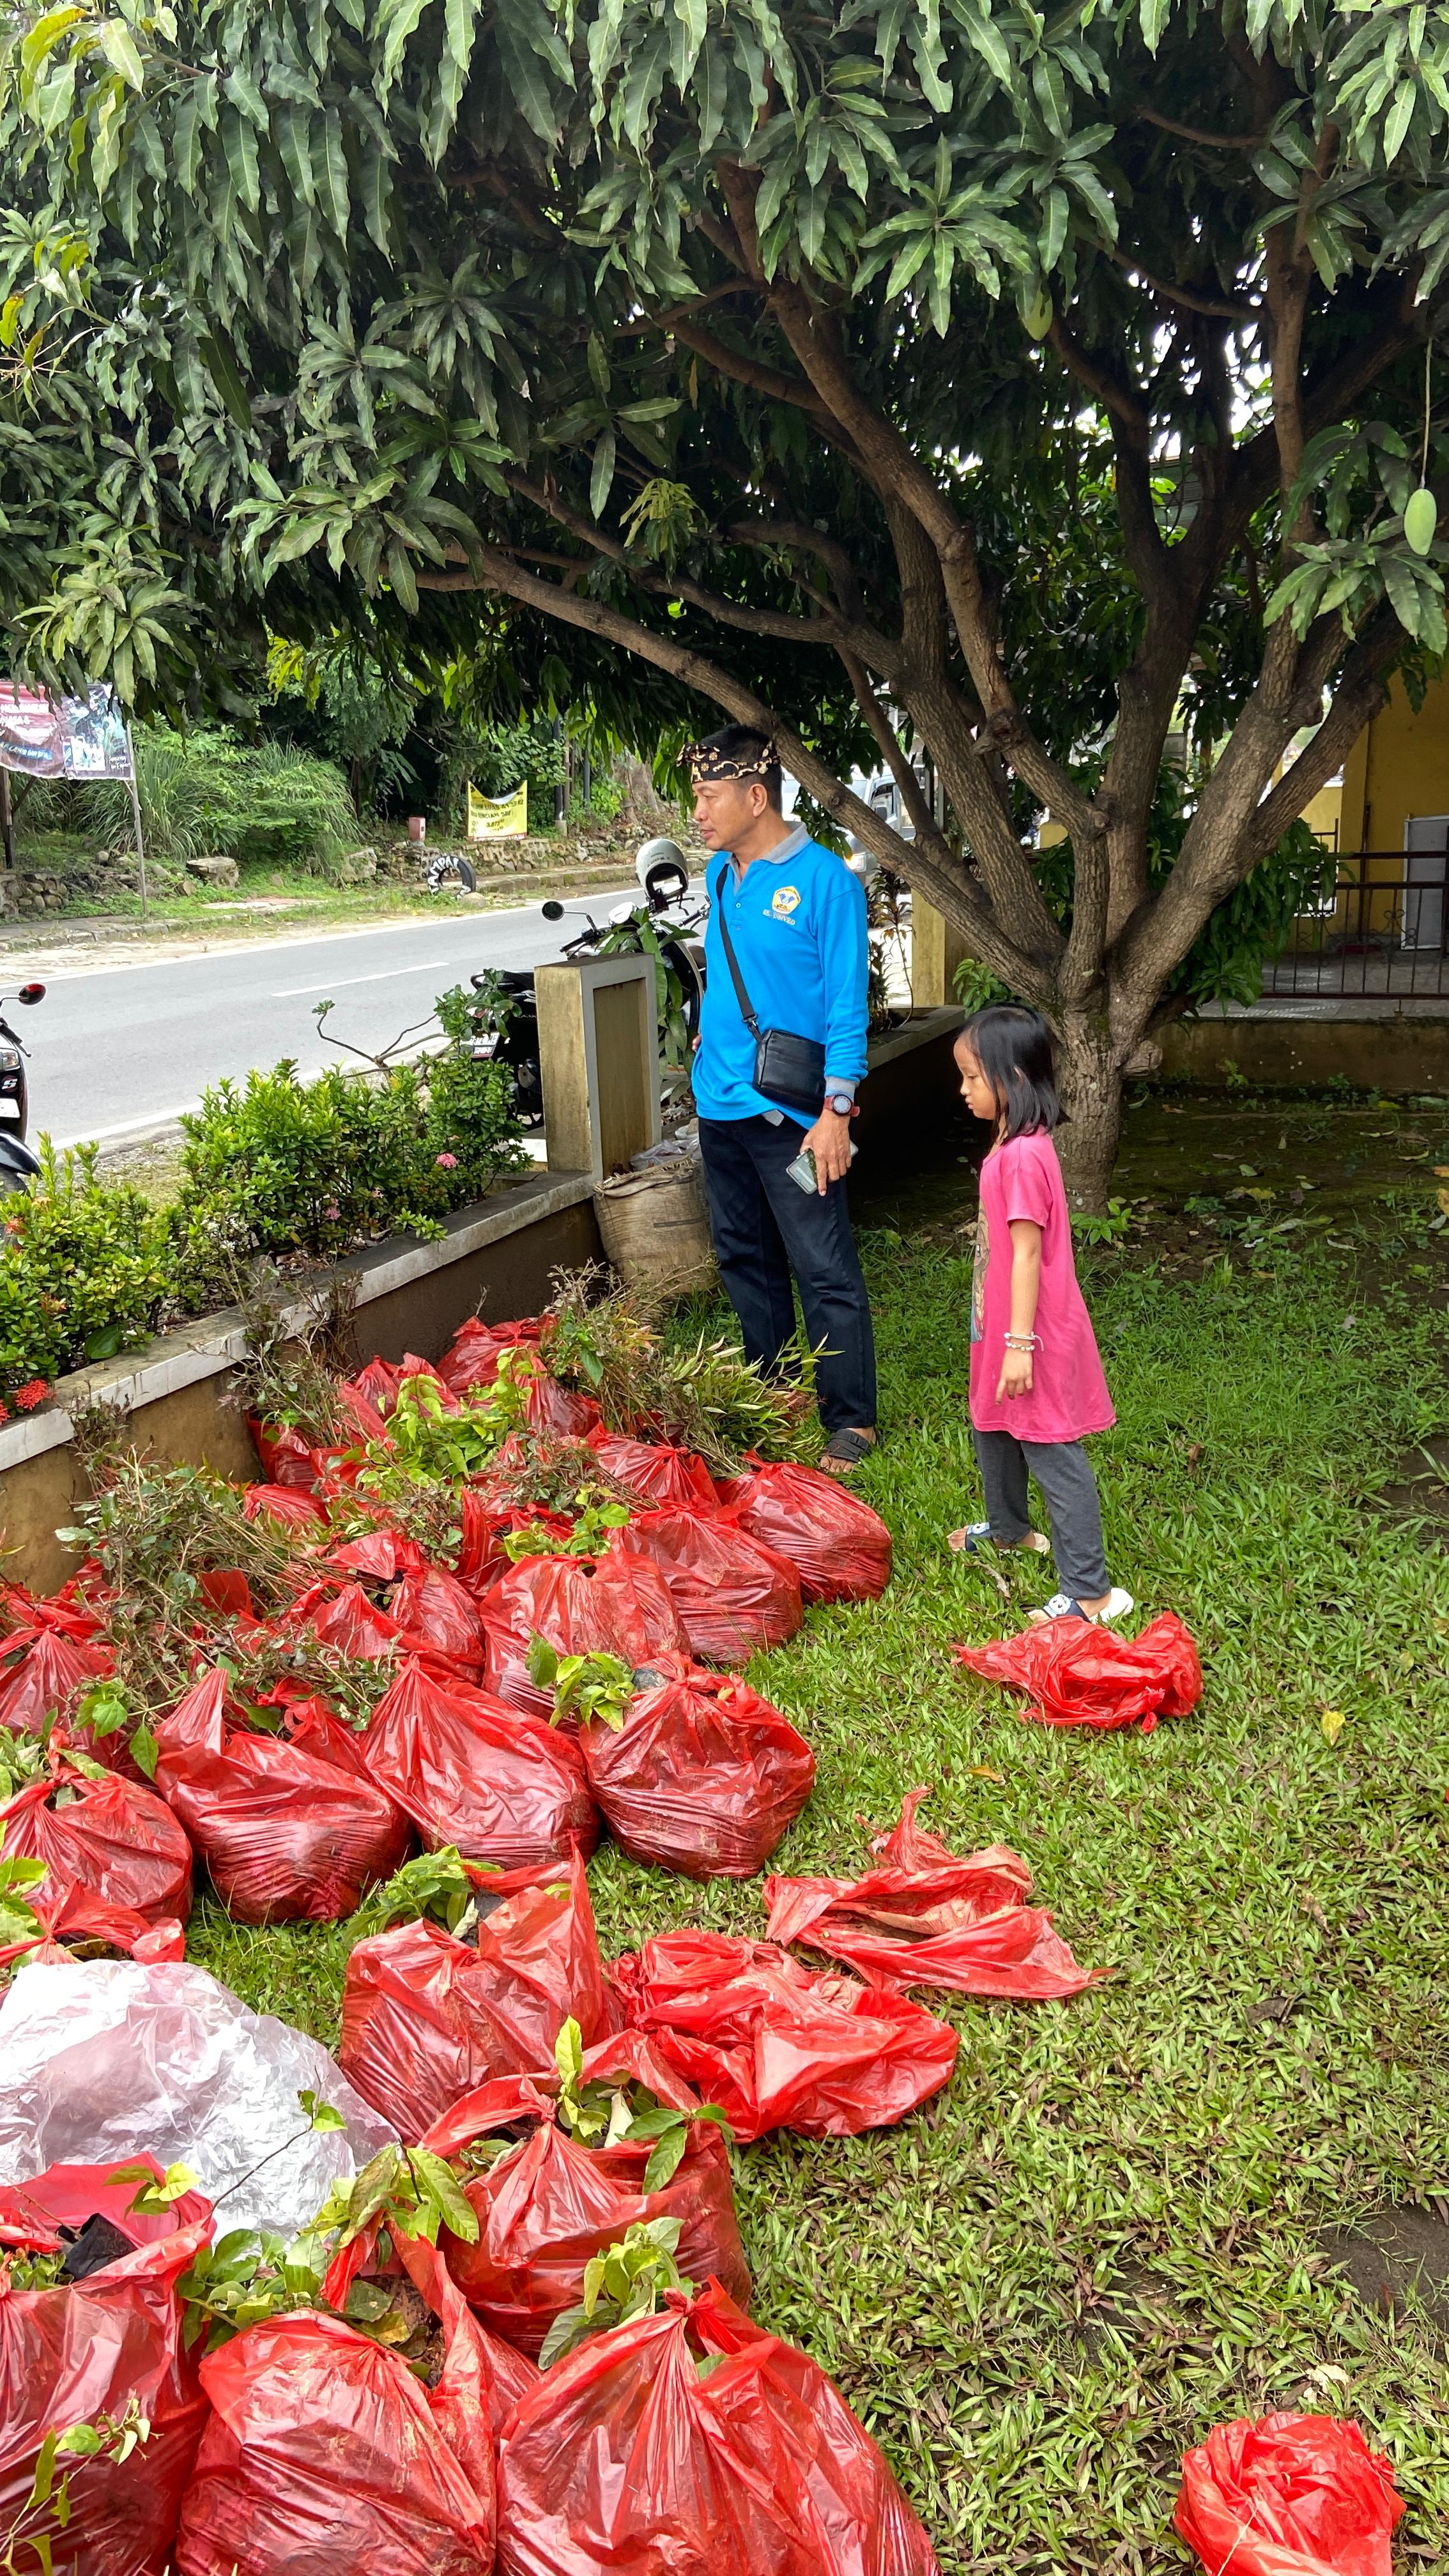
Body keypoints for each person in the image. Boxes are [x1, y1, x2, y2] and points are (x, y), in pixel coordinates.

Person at [687, 724, 877, 1476]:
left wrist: (836, 1112)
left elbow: (845, 1003)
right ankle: (771, 1389)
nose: (697, 813)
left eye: (708, 797)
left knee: (821, 1264)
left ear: (755, 796)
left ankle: (851, 1420)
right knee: (743, 1257)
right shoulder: (721, 875)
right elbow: (731, 971)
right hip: (719, 1108)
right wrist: (709, 1032)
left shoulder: (828, 882)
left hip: (794, 1119)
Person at [949, 1004, 1133, 1623]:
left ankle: (1090, 1591)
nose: (964, 1089)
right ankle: (1009, 1529)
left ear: (1015, 1081)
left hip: (1028, 1332)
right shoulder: (1011, 1143)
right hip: (998, 1325)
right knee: (992, 1423)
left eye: (974, 1077)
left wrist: (1019, 1342)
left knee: (1050, 1446)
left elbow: (1028, 1251)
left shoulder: (1024, 1156)